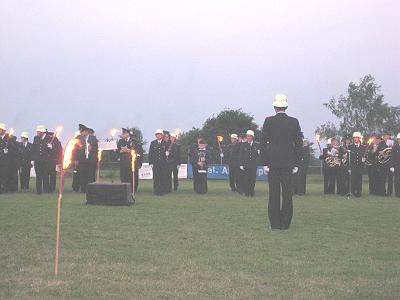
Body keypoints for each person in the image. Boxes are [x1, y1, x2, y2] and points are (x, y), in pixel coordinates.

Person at [261, 94, 302, 230]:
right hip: (288, 163)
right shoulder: (294, 122)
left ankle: (275, 223)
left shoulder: (268, 121)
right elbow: (298, 144)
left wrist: (265, 162)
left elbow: (263, 144)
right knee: (287, 194)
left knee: (274, 194)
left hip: (273, 163)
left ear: (274, 107)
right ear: (286, 106)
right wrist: (296, 163)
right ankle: (285, 223)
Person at [117, 128, 144, 192]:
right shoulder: (121, 141)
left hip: (132, 162)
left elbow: (139, 151)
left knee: (132, 176)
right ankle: (124, 189)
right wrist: (120, 151)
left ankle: (133, 189)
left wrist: (130, 150)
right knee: (124, 176)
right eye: (123, 133)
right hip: (123, 162)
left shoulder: (134, 141)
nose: (123, 135)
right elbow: (117, 150)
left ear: (128, 134)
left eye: (124, 133)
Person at [76, 124, 98, 193]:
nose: (81, 133)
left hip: (91, 160)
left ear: (86, 131)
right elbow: (75, 150)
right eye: (80, 132)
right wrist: (75, 159)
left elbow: (96, 148)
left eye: (82, 132)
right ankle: (83, 189)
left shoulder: (93, 138)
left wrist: (91, 148)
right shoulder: (78, 138)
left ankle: (91, 189)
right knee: (82, 175)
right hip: (82, 160)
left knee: (91, 175)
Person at [239, 130, 260, 197]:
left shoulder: (257, 145)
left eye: (250, 136)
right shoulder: (243, 145)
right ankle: (247, 193)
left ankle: (252, 192)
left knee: (252, 180)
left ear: (252, 137)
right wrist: (241, 164)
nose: (248, 137)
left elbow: (259, 155)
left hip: (253, 165)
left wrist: (259, 153)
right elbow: (241, 155)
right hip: (246, 165)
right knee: (246, 179)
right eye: (247, 136)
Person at [32, 125, 52, 194]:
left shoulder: (49, 138)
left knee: (45, 175)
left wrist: (50, 147)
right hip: (38, 161)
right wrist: (33, 159)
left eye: (38, 132)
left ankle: (46, 190)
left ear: (42, 132)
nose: (37, 133)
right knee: (38, 176)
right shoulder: (36, 138)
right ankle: (39, 191)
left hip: (46, 161)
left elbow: (52, 151)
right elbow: (34, 149)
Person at [148, 129, 167, 195]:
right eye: (157, 134)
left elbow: (168, 154)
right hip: (155, 164)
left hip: (163, 164)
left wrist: (167, 153)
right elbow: (150, 153)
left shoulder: (165, 143)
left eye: (159, 134)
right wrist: (150, 162)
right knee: (156, 178)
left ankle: (161, 191)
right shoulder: (153, 143)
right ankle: (156, 191)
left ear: (162, 135)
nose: (158, 135)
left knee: (162, 178)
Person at [348, 132, 366, 198]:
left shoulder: (363, 147)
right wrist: (349, 167)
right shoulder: (350, 146)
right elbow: (348, 157)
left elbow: (364, 155)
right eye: (354, 138)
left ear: (359, 138)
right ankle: (352, 192)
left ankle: (359, 192)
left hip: (360, 166)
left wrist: (364, 159)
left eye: (356, 137)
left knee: (359, 180)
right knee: (353, 180)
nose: (355, 139)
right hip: (353, 166)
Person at [376, 132, 393, 196]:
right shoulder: (381, 143)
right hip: (383, 164)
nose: (386, 137)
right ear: (383, 137)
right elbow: (377, 152)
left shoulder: (393, 143)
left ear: (389, 136)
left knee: (390, 180)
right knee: (382, 179)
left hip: (390, 164)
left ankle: (389, 193)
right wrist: (380, 153)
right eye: (385, 136)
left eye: (387, 135)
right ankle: (382, 192)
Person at [390, 133, 400, 197]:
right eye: (398, 139)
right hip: (397, 166)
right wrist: (391, 166)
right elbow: (392, 157)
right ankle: (397, 193)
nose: (399, 140)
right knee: (397, 181)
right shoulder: (394, 147)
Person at [0, 123, 8, 193]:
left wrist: (7, 151)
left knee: (4, 175)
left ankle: (4, 189)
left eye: (1, 129)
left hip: (5, 160)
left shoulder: (8, 138)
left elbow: (13, 148)